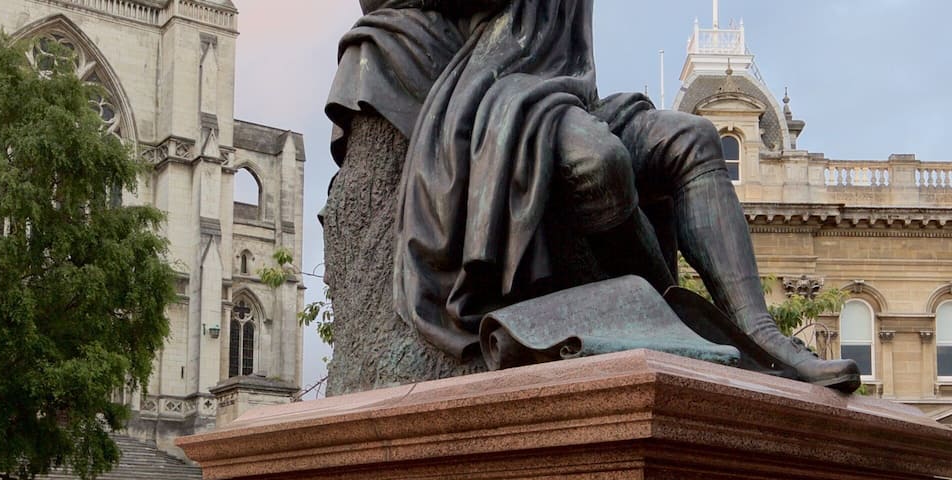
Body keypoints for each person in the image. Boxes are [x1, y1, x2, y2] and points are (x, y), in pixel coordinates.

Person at [328, 0, 858, 390]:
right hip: (489, 99)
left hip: (568, 93)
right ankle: (663, 310)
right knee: (600, 163)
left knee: (693, 140)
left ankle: (760, 334)